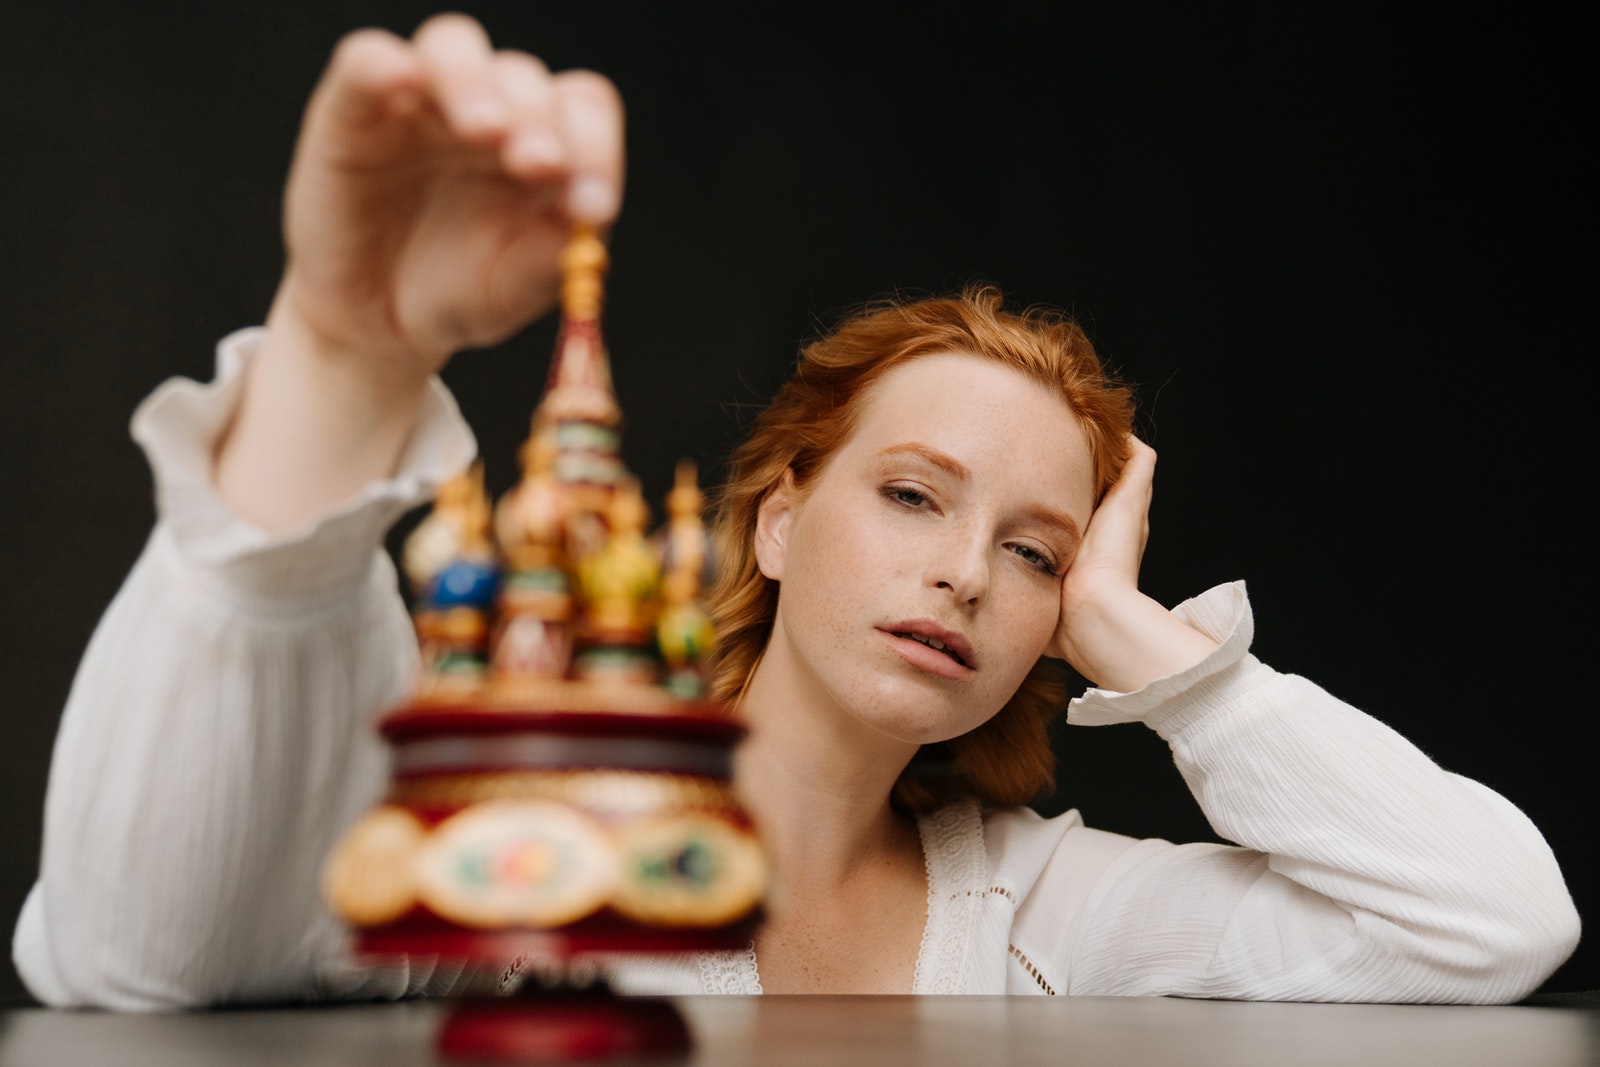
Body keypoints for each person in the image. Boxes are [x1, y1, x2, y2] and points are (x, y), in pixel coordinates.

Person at [12, 14, 1580, 1008]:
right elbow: (146, 961)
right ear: (773, 519)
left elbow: (1494, 925)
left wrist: (1154, 649)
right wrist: (342, 368)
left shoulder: (1040, 912)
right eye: (912, 495)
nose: (967, 575)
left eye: (1036, 552)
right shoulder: (518, 837)